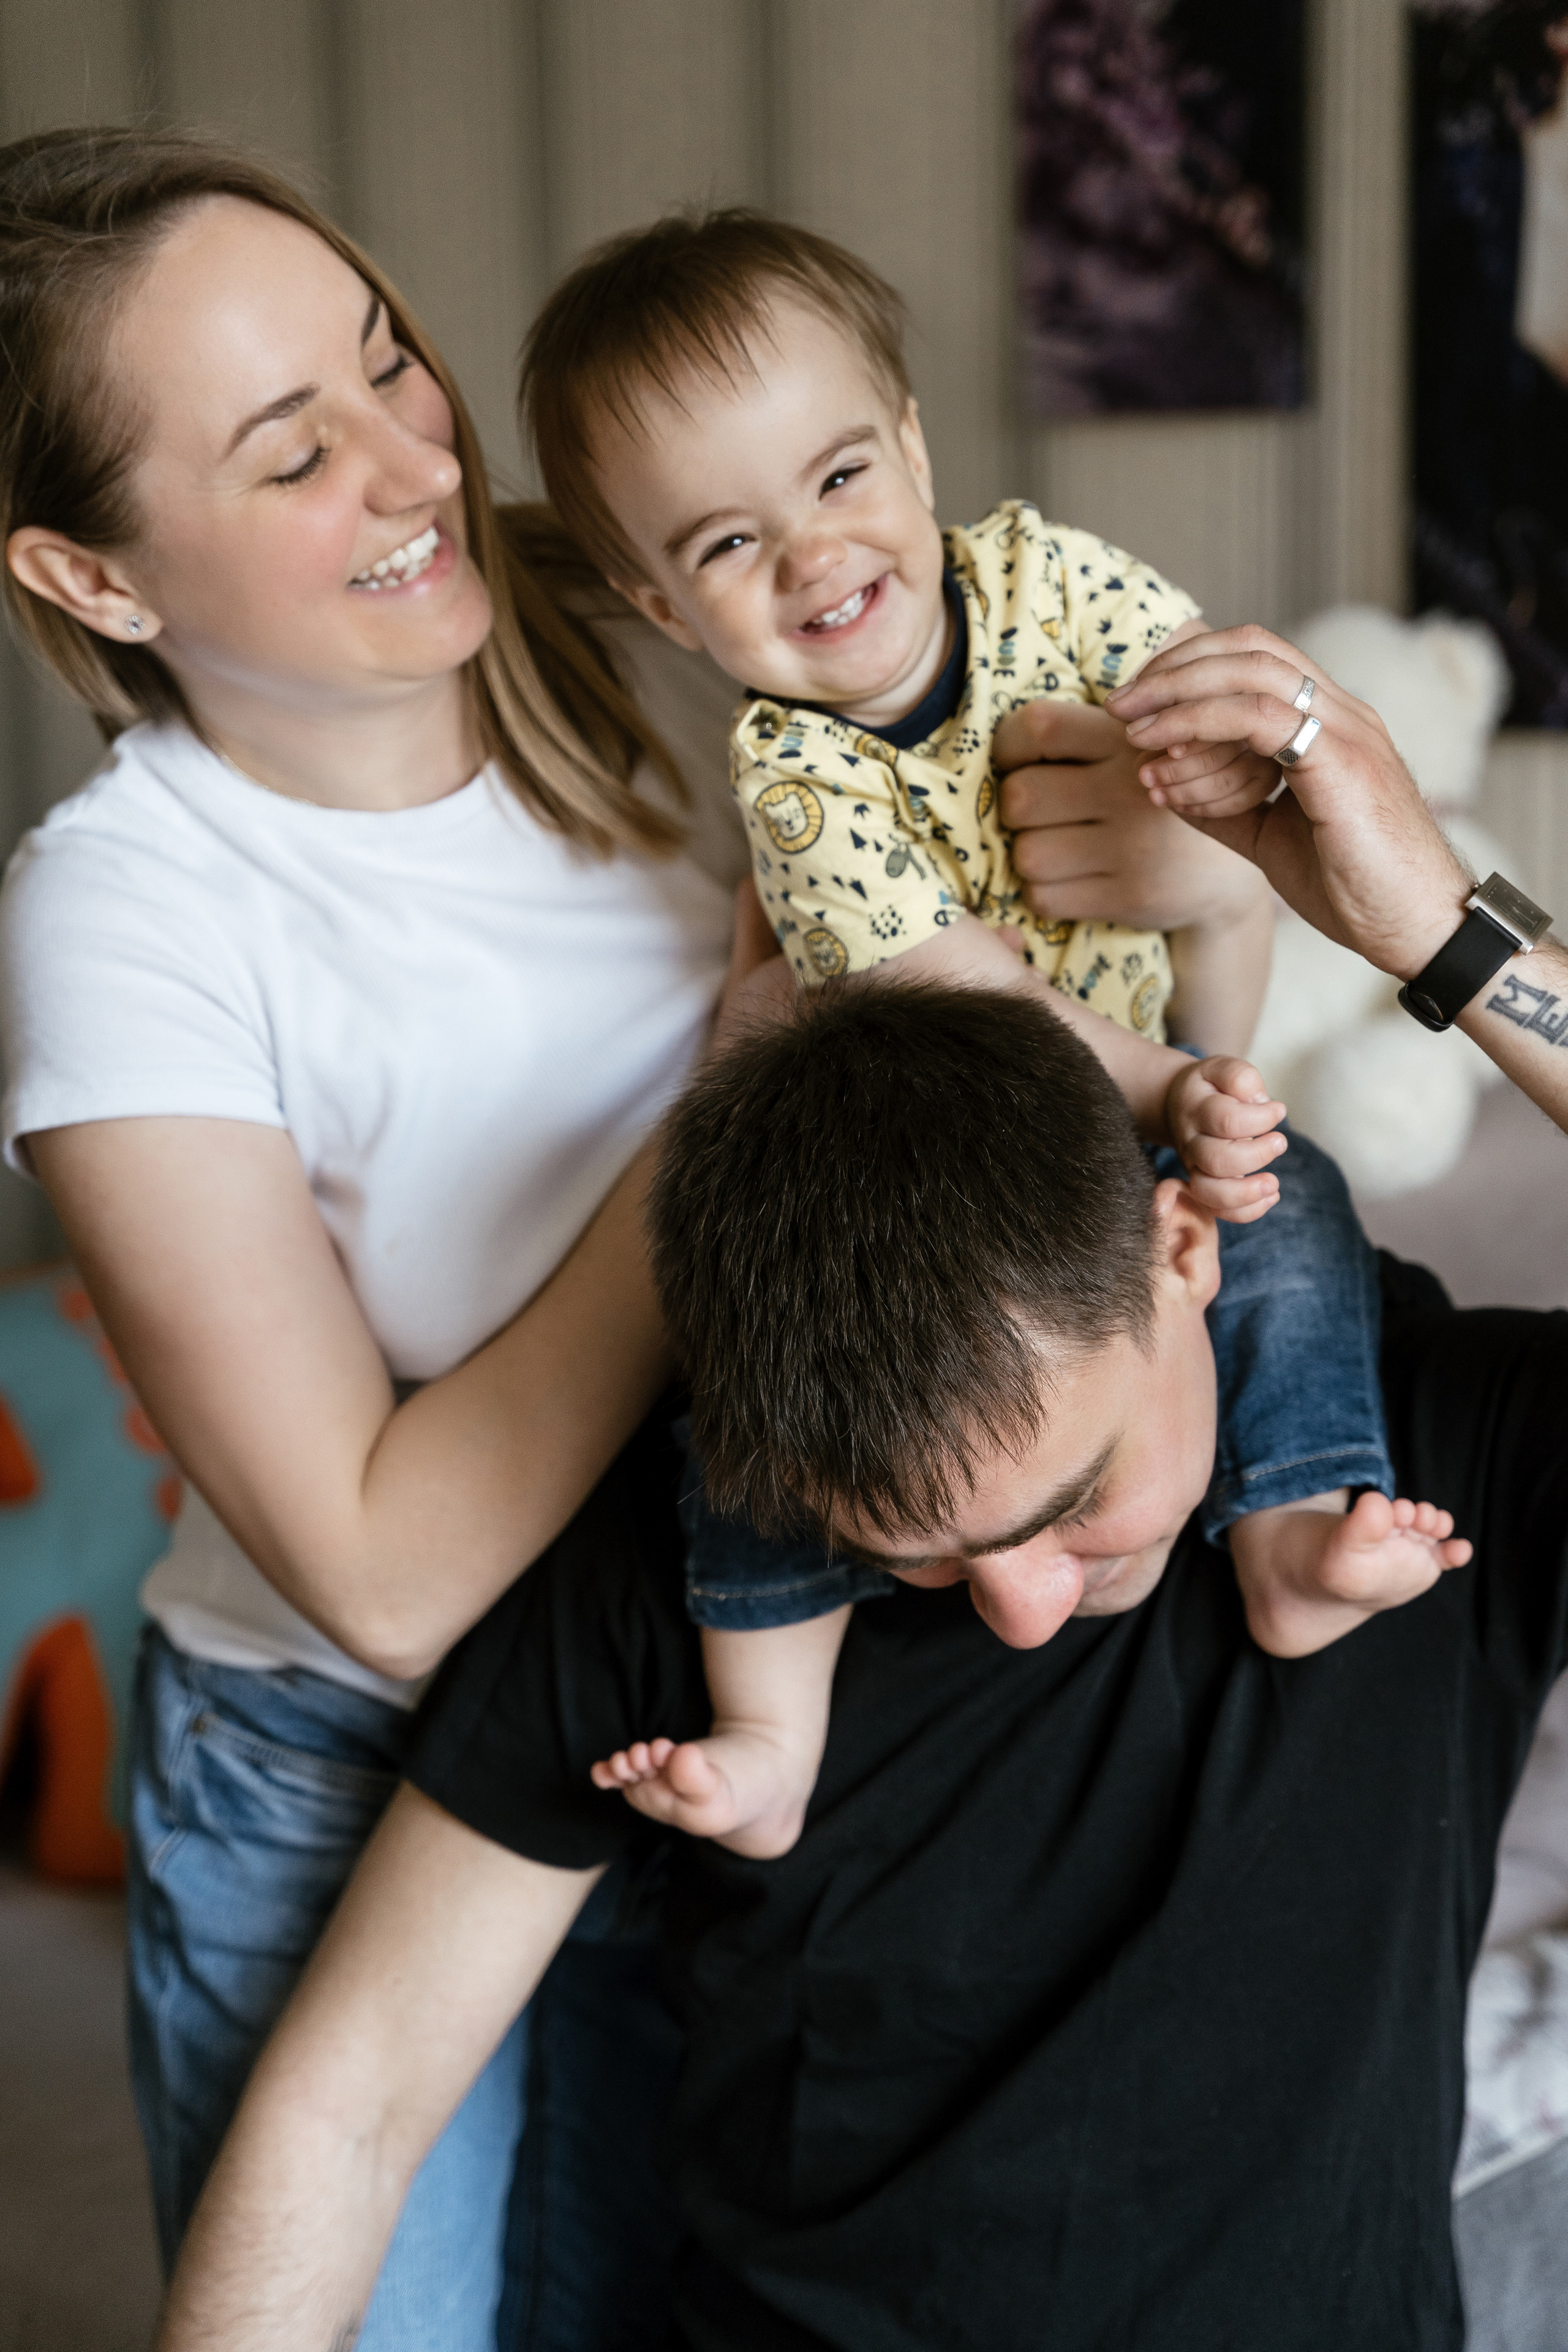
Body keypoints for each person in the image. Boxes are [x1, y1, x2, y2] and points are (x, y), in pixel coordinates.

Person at [151, 627, 1568, 2352]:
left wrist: (1442, 931)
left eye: (1072, 1497)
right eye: (912, 1558)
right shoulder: (714, 1535)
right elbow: (351, 2105)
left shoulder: (1427, 1461)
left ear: (1183, 1241)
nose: (1022, 1607)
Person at [0, 123, 756, 2351]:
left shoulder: (654, 655)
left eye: (385, 361)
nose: (410, 458)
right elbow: (383, 1561)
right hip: (341, 1774)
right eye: (286, 448)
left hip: (707, 1710)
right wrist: (739, 1099)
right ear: (101, 580)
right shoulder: (124, 914)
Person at [521, 208, 1449, 1856]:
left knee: (1295, 1210)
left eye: (840, 477)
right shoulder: (796, 779)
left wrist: (1219, 871)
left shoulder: (1045, 578)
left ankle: (1295, 1527)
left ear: (914, 442)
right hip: (961, 1161)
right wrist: (1181, 1082)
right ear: (658, 606)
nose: (814, 556)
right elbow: (987, 1012)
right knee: (763, 1361)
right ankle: (770, 1725)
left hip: (1143, 1084)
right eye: (726, 547)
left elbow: (1210, 734)